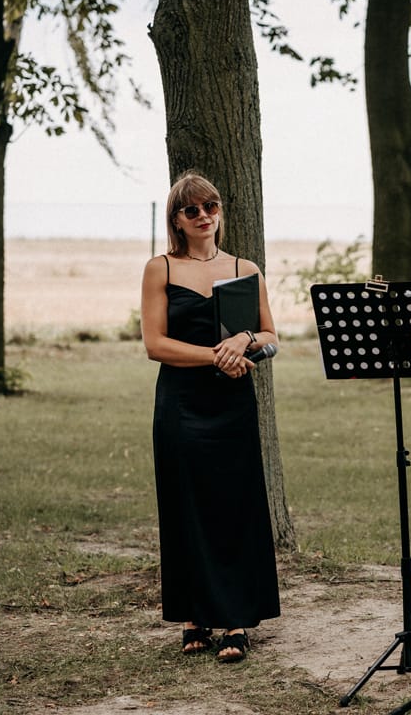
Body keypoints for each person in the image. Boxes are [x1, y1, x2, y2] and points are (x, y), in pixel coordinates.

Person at [141, 170, 280, 662]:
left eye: (211, 207)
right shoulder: (160, 268)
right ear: (176, 220)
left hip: (233, 406)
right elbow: (155, 344)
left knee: (235, 506)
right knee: (186, 508)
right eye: (192, 210)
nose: (204, 216)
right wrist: (213, 355)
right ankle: (194, 616)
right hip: (180, 403)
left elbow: (270, 336)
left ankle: (238, 621)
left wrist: (244, 341)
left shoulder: (246, 267)